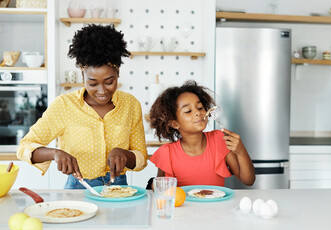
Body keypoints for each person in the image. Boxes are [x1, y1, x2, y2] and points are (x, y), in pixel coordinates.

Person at [17, 24, 148, 189]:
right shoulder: (65, 105)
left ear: (118, 73)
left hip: (119, 188)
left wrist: (124, 154)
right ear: (82, 74)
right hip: (79, 188)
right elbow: (24, 146)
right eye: (92, 83)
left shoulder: (130, 104)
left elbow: (142, 157)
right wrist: (54, 153)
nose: (102, 91)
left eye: (109, 82)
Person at [148, 80, 255, 187]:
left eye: (200, 108)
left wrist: (241, 152)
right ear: (175, 124)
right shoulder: (167, 153)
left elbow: (248, 180)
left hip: (216, 204)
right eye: (188, 111)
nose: (198, 113)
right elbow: (161, 189)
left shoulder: (219, 139)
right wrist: (154, 185)